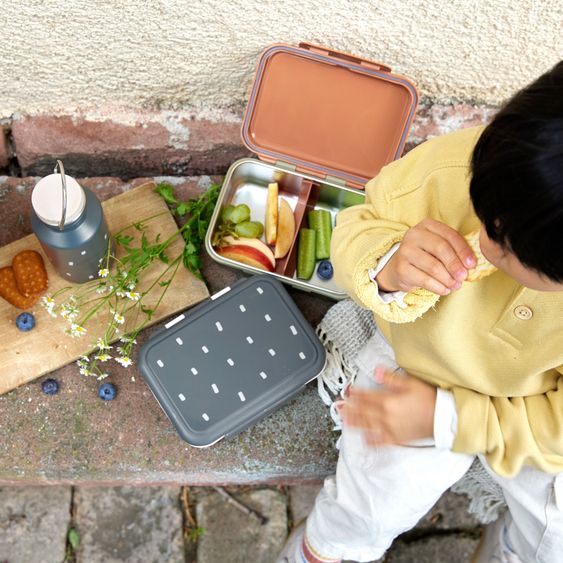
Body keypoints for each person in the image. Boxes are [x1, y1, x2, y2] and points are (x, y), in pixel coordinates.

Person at [277, 60, 563, 563]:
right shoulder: (461, 165)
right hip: (417, 365)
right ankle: (326, 550)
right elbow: (357, 225)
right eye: (485, 210)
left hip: (534, 406)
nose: (483, 238)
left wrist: (453, 422)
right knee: (372, 497)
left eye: (509, 244)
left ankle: (511, 551)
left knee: (555, 534)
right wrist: (388, 263)